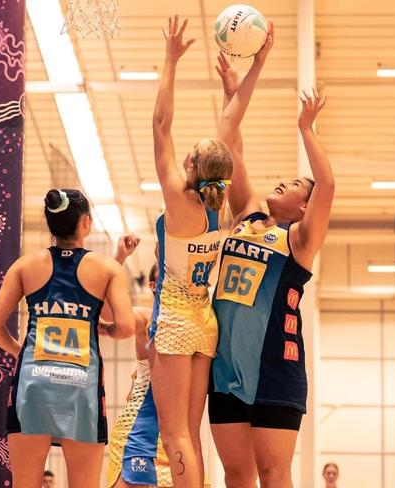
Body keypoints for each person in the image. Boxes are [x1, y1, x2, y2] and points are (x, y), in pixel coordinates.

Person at [149, 14, 271, 488]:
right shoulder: (219, 209)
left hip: (178, 321)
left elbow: (161, 123)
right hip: (206, 322)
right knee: (190, 435)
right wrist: (257, 64)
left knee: (173, 432)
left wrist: (171, 60)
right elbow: (232, 121)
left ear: (192, 165)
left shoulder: (182, 203)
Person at [209, 46, 334, 488]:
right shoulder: (245, 213)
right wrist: (233, 90)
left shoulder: (298, 241)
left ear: (303, 207)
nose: (285, 180)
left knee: (273, 473)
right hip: (224, 366)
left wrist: (307, 128)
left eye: (297, 184)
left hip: (276, 368)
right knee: (236, 475)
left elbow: (329, 185)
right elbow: (230, 145)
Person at [0, 188, 135, 488]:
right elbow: (127, 327)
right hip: (81, 389)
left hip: (34, 385)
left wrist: (20, 352)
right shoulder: (107, 269)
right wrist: (104, 329)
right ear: (86, 223)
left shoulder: (25, 266)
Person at [108, 258, 172, 488]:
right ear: (153, 286)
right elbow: (108, 319)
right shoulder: (145, 317)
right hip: (142, 429)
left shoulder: (201, 323)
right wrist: (116, 263)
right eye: (167, 278)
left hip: (179, 436)